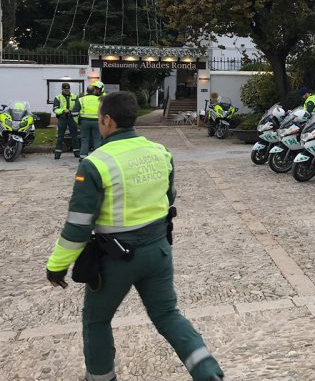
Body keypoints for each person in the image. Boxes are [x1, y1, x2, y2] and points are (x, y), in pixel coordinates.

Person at [45, 91, 223, 380]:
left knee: (97, 321)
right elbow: (169, 196)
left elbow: (78, 226)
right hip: (159, 251)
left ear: (107, 120)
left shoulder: (96, 163)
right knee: (168, 315)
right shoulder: (160, 152)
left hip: (115, 259)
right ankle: (208, 372)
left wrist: (56, 265)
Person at [53, 82, 80, 160]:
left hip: (72, 118)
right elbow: (55, 109)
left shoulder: (75, 96)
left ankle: (76, 152)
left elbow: (78, 107)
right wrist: (63, 111)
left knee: (75, 136)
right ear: (62, 89)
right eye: (65, 89)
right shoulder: (58, 97)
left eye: (68, 89)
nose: (66, 90)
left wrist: (73, 111)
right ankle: (57, 153)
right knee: (60, 136)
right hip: (63, 118)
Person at [76, 85, 103, 160]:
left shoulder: (81, 99)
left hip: (84, 122)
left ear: (86, 91)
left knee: (84, 139)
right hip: (96, 122)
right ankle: (98, 158)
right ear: (94, 91)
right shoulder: (99, 99)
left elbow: (74, 113)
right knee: (97, 139)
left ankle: (83, 157)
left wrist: (77, 121)